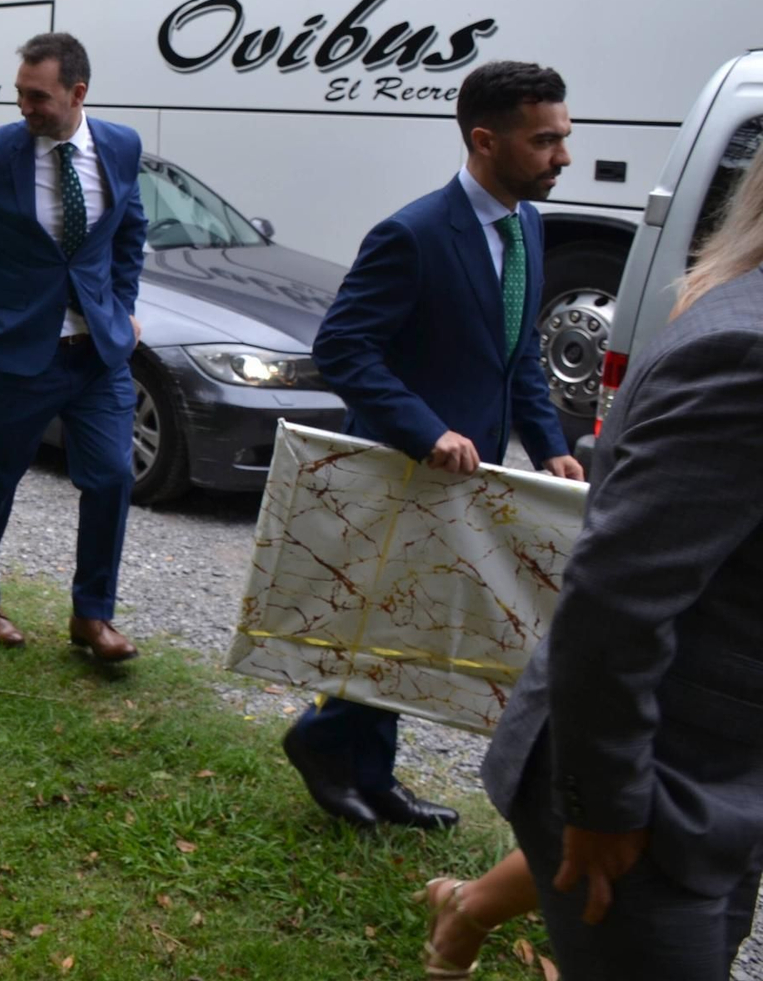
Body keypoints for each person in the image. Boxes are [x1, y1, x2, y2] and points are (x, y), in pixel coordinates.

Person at [463, 149, 763, 979]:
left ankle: (464, 909)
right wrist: (602, 804)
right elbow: (614, 603)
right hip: (656, 785)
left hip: (720, 780)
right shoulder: (747, 346)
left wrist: (568, 449)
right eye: (544, 136)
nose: (562, 154)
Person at [281, 60, 584, 833]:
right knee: (380, 621)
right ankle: (321, 742)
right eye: (545, 140)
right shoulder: (412, 234)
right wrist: (425, 428)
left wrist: (549, 446)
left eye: (564, 137)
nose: (564, 157)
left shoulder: (528, 224)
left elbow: (514, 353)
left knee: (408, 625)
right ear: (485, 140)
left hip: (470, 474)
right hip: (400, 466)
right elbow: (343, 348)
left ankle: (370, 776)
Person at [0, 32, 149, 664]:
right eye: (19, 94)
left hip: (96, 355)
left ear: (77, 93)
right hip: (17, 355)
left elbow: (130, 229)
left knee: (110, 478)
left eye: (37, 96)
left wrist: (122, 308)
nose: (24, 107)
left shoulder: (121, 147)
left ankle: (92, 616)